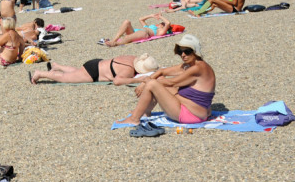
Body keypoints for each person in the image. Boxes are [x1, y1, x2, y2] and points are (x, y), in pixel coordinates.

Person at [118, 35, 216, 125]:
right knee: (157, 79)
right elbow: (162, 72)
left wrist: (145, 83)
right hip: (193, 108)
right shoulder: (190, 65)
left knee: (152, 84)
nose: (183, 55)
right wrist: (147, 80)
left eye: (187, 51)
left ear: (195, 51)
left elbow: (172, 82)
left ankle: (134, 119)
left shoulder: (198, 68)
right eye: (180, 51)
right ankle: (146, 111)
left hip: (192, 115)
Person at [30, 54, 159, 85]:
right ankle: (40, 74)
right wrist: (138, 80)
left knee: (77, 73)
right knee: (65, 79)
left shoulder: (131, 58)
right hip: (94, 72)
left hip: (96, 63)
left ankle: (57, 66)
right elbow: (117, 81)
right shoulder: (129, 71)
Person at [103, 13, 172, 47]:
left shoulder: (160, 31)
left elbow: (168, 23)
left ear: (164, 26)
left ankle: (115, 43)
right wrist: (151, 15)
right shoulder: (152, 27)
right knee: (127, 22)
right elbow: (141, 19)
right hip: (136, 31)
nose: (160, 23)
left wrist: (160, 16)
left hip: (144, 33)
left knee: (127, 37)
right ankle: (114, 39)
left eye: (162, 23)